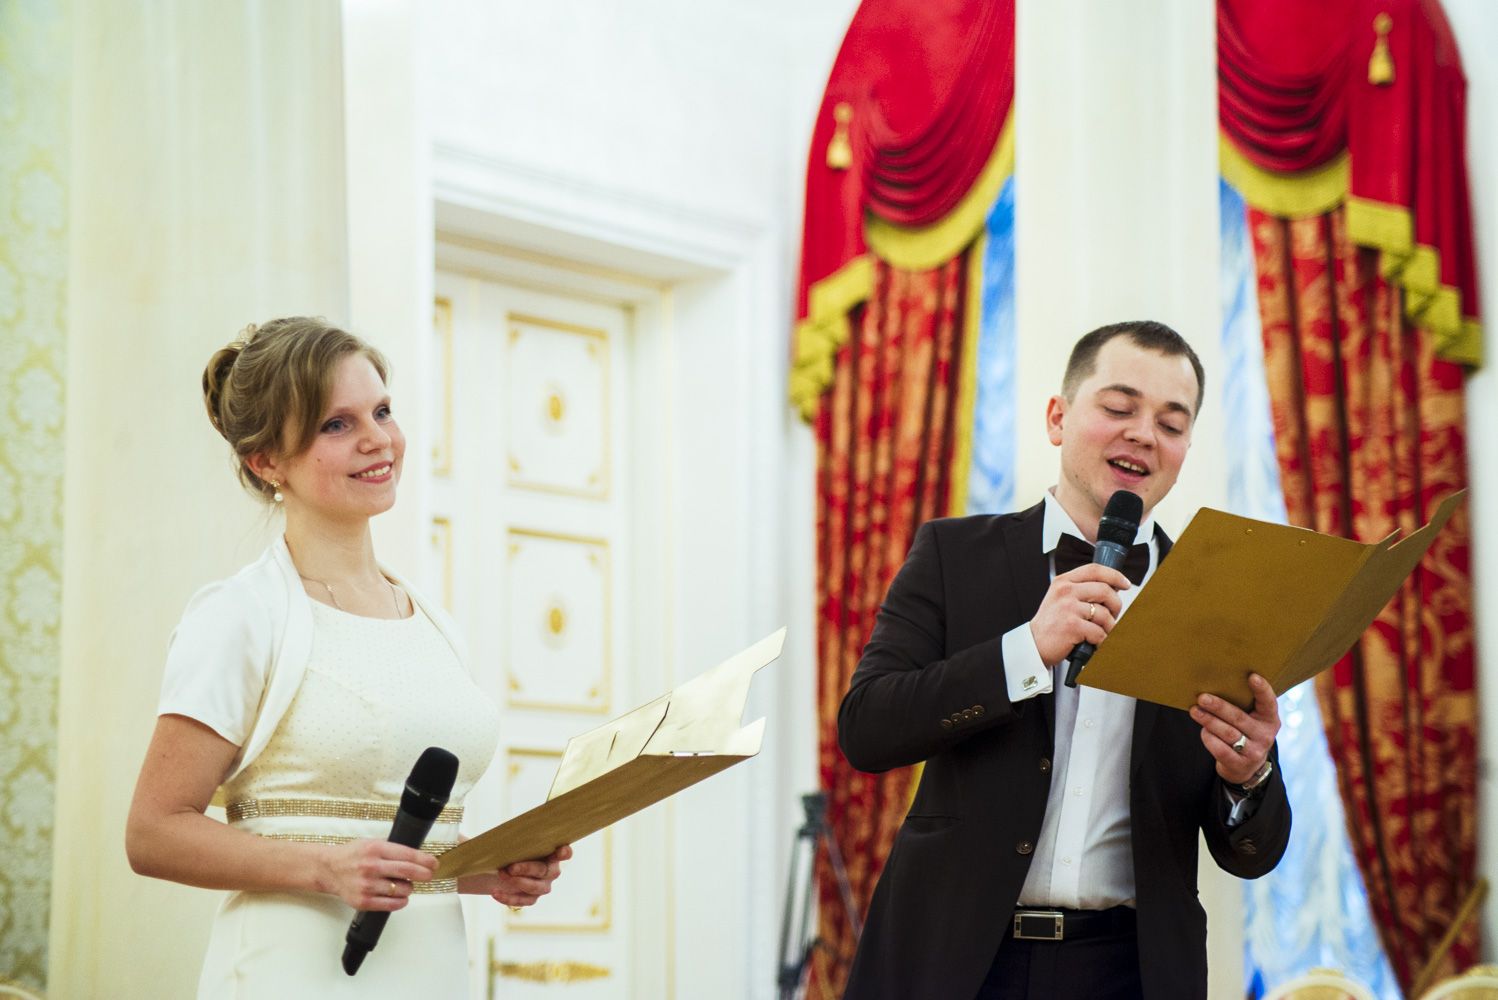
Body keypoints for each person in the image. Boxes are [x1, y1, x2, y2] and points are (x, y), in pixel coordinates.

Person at [837, 321, 1291, 1000]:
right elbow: (867, 729)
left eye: (1171, 424)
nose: (1143, 434)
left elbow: (1251, 856)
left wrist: (1247, 774)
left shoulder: (1217, 604)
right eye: (1119, 407)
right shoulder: (952, 556)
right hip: (954, 961)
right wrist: (1026, 648)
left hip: (1131, 972)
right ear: (1057, 418)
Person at [126, 317, 571, 998]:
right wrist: (323, 869)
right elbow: (153, 833)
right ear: (266, 461)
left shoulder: (432, 623)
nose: (378, 439)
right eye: (337, 424)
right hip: (289, 973)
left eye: (382, 411)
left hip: (431, 973)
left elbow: (387, 830)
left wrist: (480, 867)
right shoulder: (239, 615)